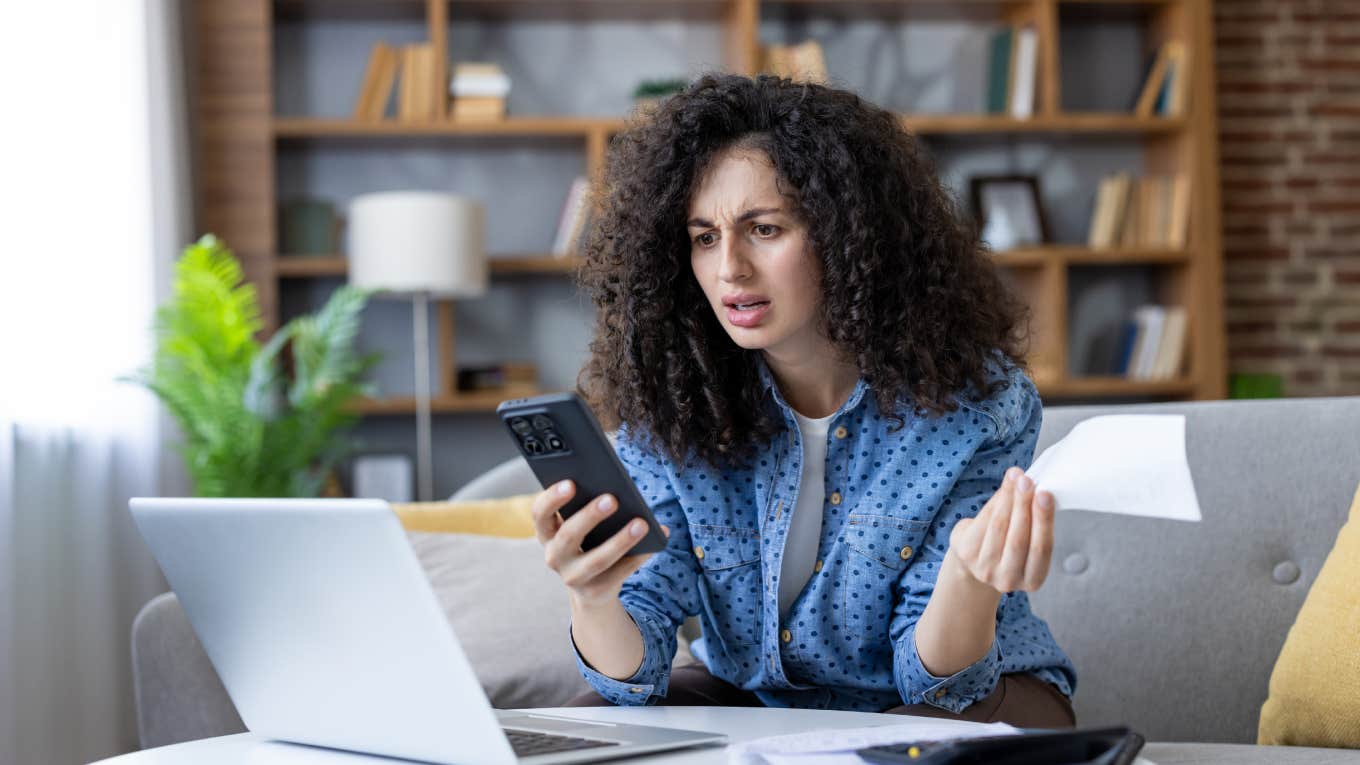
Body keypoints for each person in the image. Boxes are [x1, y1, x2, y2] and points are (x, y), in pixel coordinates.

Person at [529, 73, 1076, 728]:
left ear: (850, 235)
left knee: (913, 745)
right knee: (581, 731)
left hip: (967, 695)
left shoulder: (976, 404)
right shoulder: (673, 403)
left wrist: (966, 576)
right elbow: (635, 675)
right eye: (705, 237)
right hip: (758, 697)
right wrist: (592, 597)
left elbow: (936, 686)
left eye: (763, 229)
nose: (729, 268)